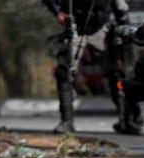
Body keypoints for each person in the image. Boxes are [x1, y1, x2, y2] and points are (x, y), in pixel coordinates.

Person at [42, 0, 130, 133]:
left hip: (102, 28)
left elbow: (122, 10)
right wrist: (57, 12)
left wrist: (122, 36)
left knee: (117, 74)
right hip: (75, 26)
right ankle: (67, 120)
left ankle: (127, 119)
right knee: (64, 72)